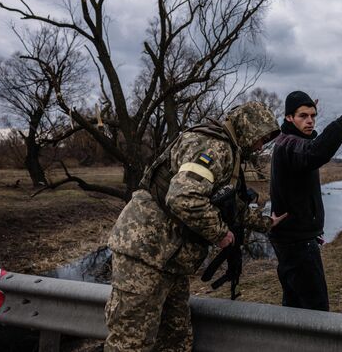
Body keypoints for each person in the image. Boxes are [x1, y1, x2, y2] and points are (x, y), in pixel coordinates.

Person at [104, 102, 285, 352]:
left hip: (170, 259)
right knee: (131, 344)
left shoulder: (229, 152)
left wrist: (266, 223)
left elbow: (231, 207)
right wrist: (220, 233)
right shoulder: (212, 146)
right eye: (260, 138)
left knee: (175, 340)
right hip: (146, 253)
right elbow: (183, 198)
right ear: (248, 127)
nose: (260, 145)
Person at [269, 77, 342, 311]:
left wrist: (304, 120)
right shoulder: (289, 145)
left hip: (294, 240)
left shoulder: (288, 141)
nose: (310, 121)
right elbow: (316, 152)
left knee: (295, 306)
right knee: (315, 310)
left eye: (313, 116)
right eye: (303, 116)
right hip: (296, 243)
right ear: (288, 118)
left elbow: (309, 147)